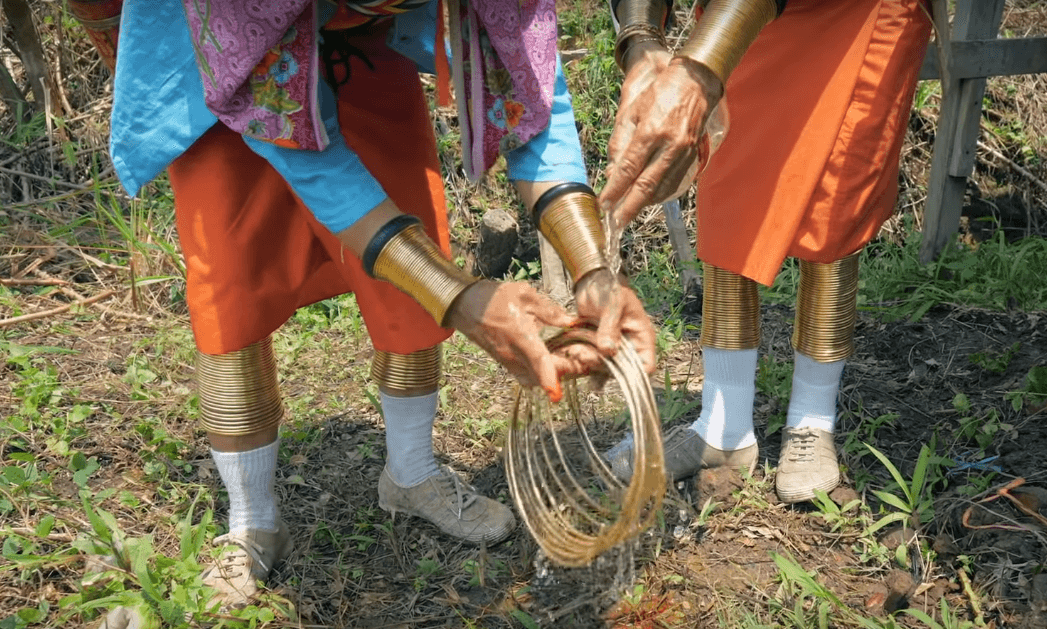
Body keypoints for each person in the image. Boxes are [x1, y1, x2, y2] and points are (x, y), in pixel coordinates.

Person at [67, 1, 655, 626]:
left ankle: (411, 473)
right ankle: (252, 524)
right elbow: (282, 128)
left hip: (360, 50)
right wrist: (456, 295)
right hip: (219, 63)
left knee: (408, 270)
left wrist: (594, 267)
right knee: (233, 292)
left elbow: (527, 80)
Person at [603, 0, 932, 503]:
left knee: (835, 205)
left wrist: (698, 69)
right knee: (732, 188)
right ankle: (724, 425)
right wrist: (640, 36)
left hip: (862, 13)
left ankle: (811, 421)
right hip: (751, 19)